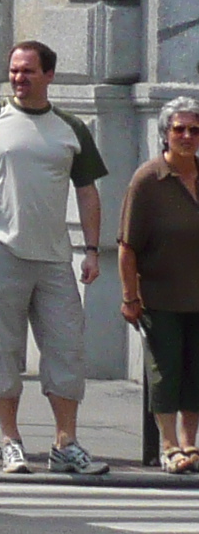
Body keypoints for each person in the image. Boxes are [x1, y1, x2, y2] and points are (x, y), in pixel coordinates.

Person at [0, 38, 112, 475]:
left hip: (55, 258)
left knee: (66, 350)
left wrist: (92, 250)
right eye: (14, 70)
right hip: (2, 251)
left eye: (28, 71)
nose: (18, 79)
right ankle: (10, 440)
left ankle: (66, 445)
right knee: (2, 349)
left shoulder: (70, 128)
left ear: (49, 75)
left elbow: (88, 191)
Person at [121, 96, 199, 473]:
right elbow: (127, 246)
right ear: (165, 134)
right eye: (179, 129)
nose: (187, 136)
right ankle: (169, 447)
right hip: (160, 297)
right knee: (165, 372)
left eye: (194, 130)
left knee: (196, 373)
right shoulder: (148, 180)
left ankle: (190, 445)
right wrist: (129, 297)